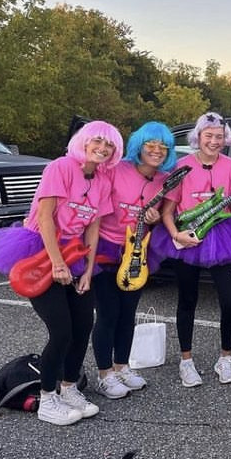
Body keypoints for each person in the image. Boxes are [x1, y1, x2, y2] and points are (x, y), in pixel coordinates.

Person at [0, 121, 123, 426]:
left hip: (76, 255)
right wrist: (57, 262)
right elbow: (45, 217)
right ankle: (47, 399)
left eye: (109, 144)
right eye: (97, 141)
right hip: (40, 250)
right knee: (61, 331)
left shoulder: (102, 180)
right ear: (84, 142)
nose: (102, 148)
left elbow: (94, 226)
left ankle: (69, 387)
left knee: (83, 325)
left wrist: (88, 271)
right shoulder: (61, 167)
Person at [149, 112, 231, 387]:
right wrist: (176, 236)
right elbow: (168, 211)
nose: (214, 141)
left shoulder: (230, 166)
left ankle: (225, 358)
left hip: (222, 236)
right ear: (198, 137)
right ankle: (186, 361)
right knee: (187, 299)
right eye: (208, 136)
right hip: (187, 236)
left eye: (219, 137)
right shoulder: (182, 166)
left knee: (230, 300)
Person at [91, 122, 177, 399]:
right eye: (151, 145)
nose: (156, 151)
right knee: (108, 313)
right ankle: (104, 374)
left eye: (162, 147)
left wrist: (154, 220)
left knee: (128, 313)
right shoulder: (116, 170)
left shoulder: (165, 180)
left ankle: (121, 366)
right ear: (139, 145)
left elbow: (165, 216)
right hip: (106, 246)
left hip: (137, 251)